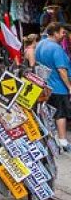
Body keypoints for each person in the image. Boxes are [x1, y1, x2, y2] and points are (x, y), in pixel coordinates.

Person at [36, 23, 71, 151]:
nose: (64, 35)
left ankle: (51, 139)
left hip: (44, 86)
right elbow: (61, 69)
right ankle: (62, 141)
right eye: (62, 32)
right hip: (58, 87)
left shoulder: (40, 44)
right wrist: (69, 86)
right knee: (60, 114)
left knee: (47, 114)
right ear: (55, 33)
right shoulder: (56, 48)